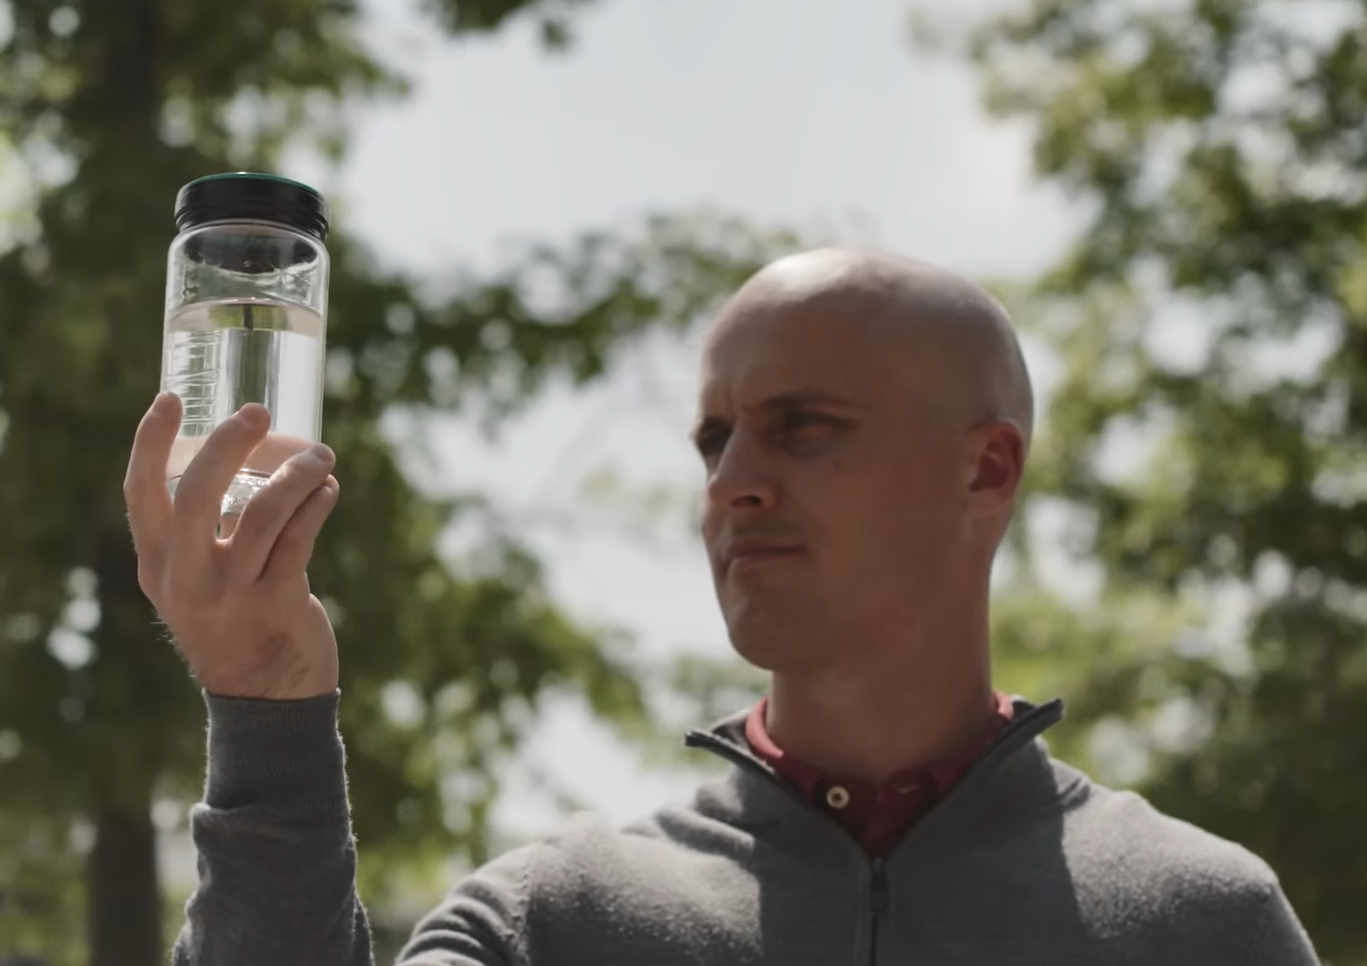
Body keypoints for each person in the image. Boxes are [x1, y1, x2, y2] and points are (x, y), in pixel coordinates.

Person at [125, 248, 1320, 965]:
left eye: (805, 425)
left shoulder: (1198, 923)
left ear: (988, 469)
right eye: (716, 437)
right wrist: (267, 703)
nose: (735, 478)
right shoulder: (556, 925)